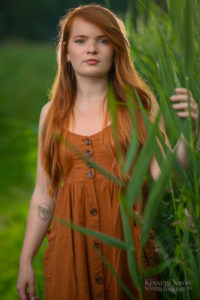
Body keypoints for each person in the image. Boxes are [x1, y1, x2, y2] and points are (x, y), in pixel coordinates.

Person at [16, 4, 198, 300]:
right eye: (80, 40)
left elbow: (165, 176)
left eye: (103, 40)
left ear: (116, 50)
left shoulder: (139, 108)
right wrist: (26, 260)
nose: (92, 49)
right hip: (69, 256)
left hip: (128, 254)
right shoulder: (50, 115)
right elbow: (45, 192)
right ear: (65, 51)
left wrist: (192, 132)